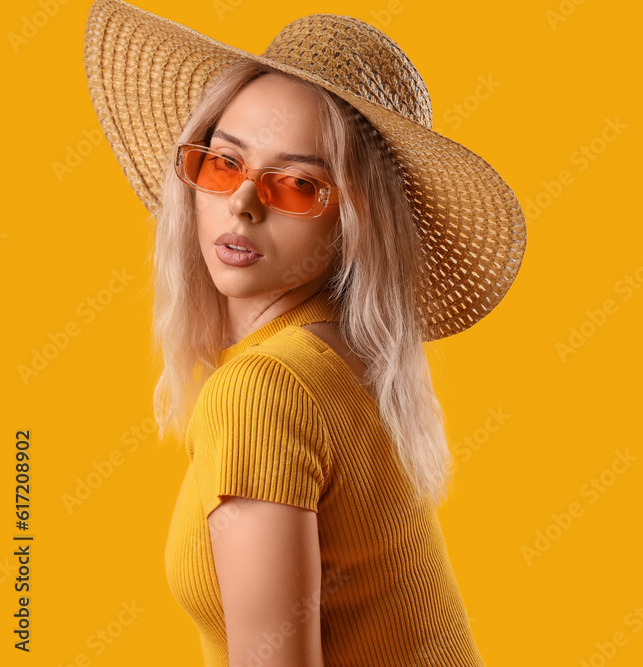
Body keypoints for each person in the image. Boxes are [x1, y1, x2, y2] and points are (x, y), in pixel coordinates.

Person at [83, 1, 526, 665]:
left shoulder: (263, 390)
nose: (244, 202)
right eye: (224, 164)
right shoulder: (339, 361)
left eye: (296, 183)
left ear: (355, 223)